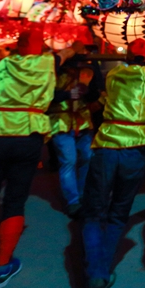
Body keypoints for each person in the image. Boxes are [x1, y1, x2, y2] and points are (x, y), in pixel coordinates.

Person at [0, 28, 63, 288]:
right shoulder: (47, 62)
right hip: (28, 134)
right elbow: (66, 54)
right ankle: (1, 267)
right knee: (15, 199)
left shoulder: (6, 62)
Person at [82, 38, 145, 288]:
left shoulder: (114, 74)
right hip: (137, 146)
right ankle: (101, 271)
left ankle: (96, 271)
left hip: (107, 144)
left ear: (127, 55)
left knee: (94, 212)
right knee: (119, 212)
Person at [47, 55, 101, 218]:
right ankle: (73, 201)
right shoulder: (52, 70)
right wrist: (68, 94)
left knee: (87, 157)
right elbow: (47, 93)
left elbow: (95, 93)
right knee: (69, 160)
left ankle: (83, 195)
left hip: (82, 121)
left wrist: (94, 66)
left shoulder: (87, 71)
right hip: (61, 121)